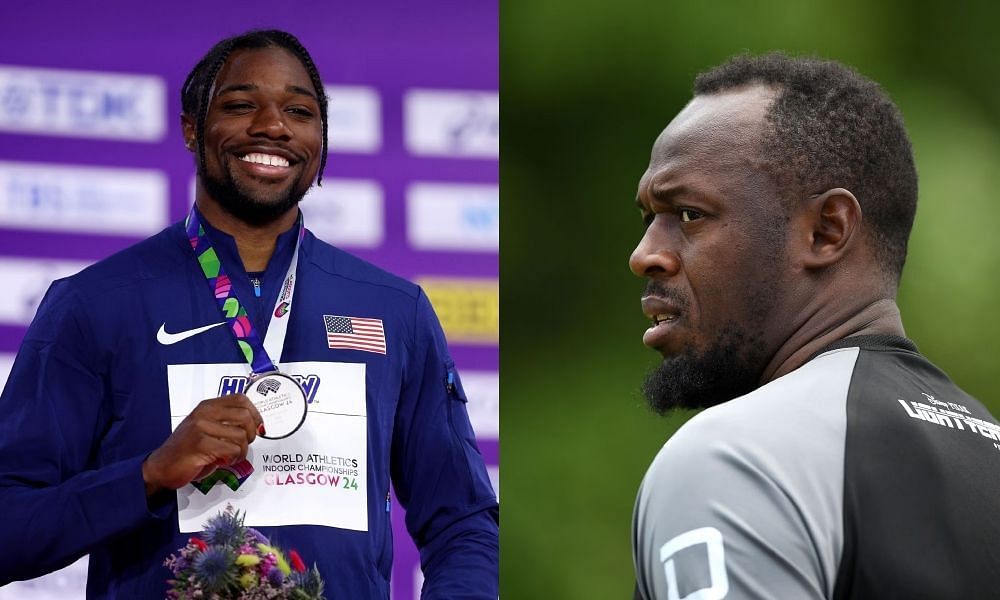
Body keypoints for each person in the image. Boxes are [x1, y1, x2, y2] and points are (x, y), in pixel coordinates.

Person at [0, 30, 498, 599]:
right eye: (240, 105)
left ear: (321, 142)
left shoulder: (394, 309)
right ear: (192, 128)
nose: (272, 127)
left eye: (299, 112)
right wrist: (148, 475)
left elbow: (464, 522)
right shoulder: (92, 304)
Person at [629, 52, 1000, 599]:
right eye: (648, 220)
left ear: (827, 230)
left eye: (688, 214)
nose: (645, 256)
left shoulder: (737, 459)